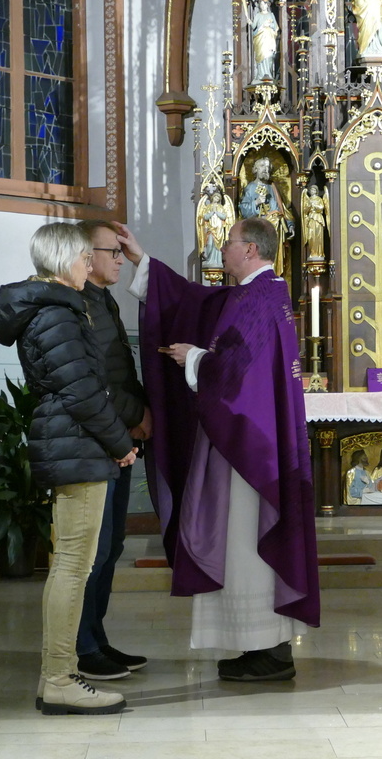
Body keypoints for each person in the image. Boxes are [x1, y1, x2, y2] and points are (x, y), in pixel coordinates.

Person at [117, 216, 319, 682]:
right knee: (241, 543)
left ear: (251, 250)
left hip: (249, 452)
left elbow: (237, 372)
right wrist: (143, 262)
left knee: (247, 542)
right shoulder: (255, 295)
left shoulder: (261, 298)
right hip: (251, 443)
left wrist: (194, 358)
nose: (221, 248)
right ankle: (260, 647)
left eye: (228, 242)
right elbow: (196, 301)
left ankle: (269, 651)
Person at [0, 222, 137, 715]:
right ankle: (58, 677)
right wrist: (121, 443)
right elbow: (81, 391)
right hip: (77, 443)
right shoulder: (57, 313)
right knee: (74, 565)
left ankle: (58, 674)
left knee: (72, 563)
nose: (87, 265)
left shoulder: (53, 308)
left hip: (73, 442)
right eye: (82, 257)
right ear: (62, 260)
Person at [73, 220, 151, 681]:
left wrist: (139, 410)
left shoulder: (103, 300)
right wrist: (137, 413)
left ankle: (97, 638)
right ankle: (82, 647)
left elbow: (121, 369)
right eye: (112, 252)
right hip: (97, 442)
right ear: (87, 256)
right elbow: (95, 380)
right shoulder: (79, 304)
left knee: (112, 545)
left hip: (117, 439)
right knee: (94, 549)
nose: (120, 259)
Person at [238, 157, 294, 276]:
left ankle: (274, 271)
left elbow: (282, 209)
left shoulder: (272, 188)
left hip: (275, 229)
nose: (265, 169)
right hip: (258, 229)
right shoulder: (250, 188)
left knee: (276, 221)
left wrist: (289, 225)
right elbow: (243, 210)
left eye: (268, 167)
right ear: (255, 169)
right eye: (262, 166)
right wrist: (257, 202)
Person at [196, 186, 233, 270]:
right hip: (211, 229)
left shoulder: (221, 207)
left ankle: (218, 261)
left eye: (218, 198)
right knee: (209, 244)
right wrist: (212, 212)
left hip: (219, 229)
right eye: (215, 197)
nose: (216, 199)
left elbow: (224, 216)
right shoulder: (208, 207)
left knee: (218, 245)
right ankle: (209, 259)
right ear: (212, 198)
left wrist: (217, 212)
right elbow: (205, 217)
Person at [249, 0, 279, 82]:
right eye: (261, 4)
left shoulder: (271, 15)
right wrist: (250, 22)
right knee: (261, 56)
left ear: (267, 5)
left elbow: (276, 27)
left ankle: (268, 74)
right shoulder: (258, 15)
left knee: (269, 56)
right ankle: (260, 75)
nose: (263, 6)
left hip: (269, 39)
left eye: (264, 4)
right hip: (260, 39)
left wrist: (269, 25)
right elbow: (253, 26)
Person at [301, 184, 328, 261]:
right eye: (311, 190)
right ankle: (312, 253)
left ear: (316, 191)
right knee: (311, 236)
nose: (312, 191)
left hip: (318, 218)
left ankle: (319, 253)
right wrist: (309, 206)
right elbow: (305, 211)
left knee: (318, 236)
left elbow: (321, 207)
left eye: (314, 190)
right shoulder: (308, 199)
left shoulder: (319, 199)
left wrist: (315, 206)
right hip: (311, 219)